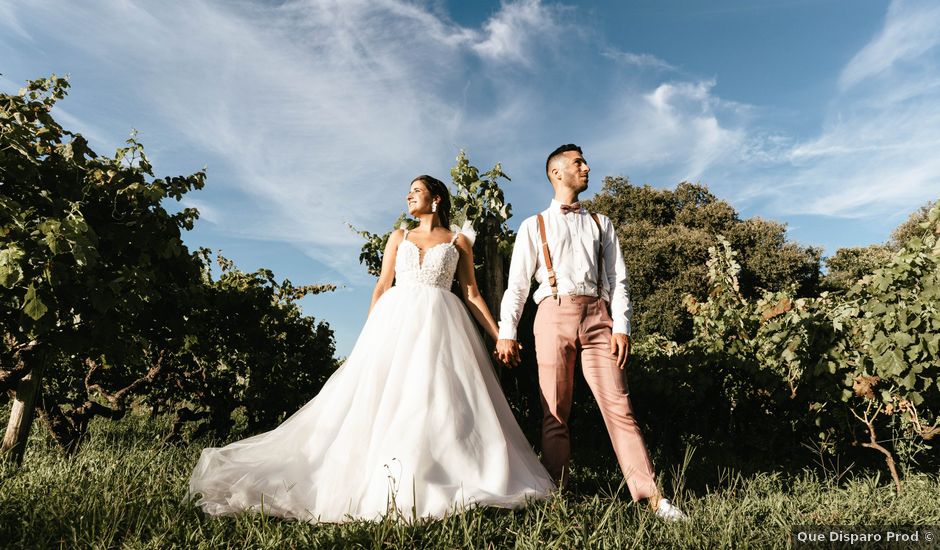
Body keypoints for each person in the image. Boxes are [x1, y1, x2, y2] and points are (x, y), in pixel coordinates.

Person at [187, 175, 554, 523]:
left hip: (442, 322)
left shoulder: (459, 241)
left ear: (436, 198)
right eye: (409, 191)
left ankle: (440, 470)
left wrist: (499, 335)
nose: (409, 196)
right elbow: (382, 285)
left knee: (437, 397)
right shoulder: (399, 236)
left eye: (416, 190)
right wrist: (370, 331)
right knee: (383, 395)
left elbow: (471, 293)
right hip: (394, 321)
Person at [495, 144, 687, 521]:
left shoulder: (602, 223)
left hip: (599, 318)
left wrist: (622, 325)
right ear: (556, 173)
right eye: (578, 163)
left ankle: (652, 498)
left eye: (584, 162)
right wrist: (507, 331)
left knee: (620, 407)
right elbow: (517, 286)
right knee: (555, 412)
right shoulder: (533, 225)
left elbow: (619, 280)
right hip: (552, 312)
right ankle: (555, 496)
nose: (586, 167)